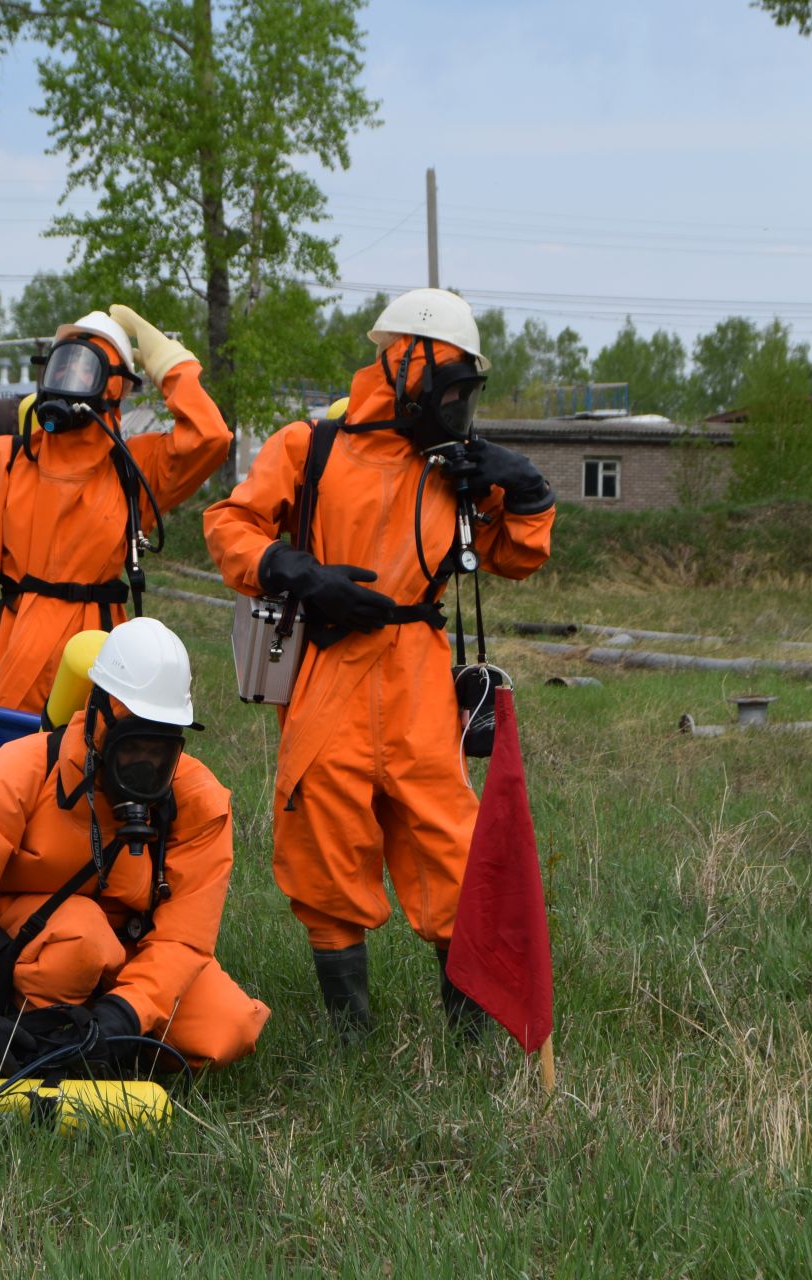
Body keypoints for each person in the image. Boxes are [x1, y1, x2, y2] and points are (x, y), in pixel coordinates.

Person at [202, 287, 556, 1039]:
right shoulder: (311, 446)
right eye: (450, 380)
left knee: (453, 849)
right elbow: (229, 524)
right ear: (407, 360)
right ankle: (350, 1036)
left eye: (467, 387)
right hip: (329, 668)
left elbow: (514, 556)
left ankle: (472, 1034)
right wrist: (299, 572)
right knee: (323, 847)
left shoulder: (454, 465)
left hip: (420, 674)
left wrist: (524, 491)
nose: (456, 399)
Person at [0, 618, 269, 1074]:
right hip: (38, 936)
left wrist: (126, 1013)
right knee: (82, 937)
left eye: (161, 748)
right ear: (99, 717)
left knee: (227, 1028)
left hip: (130, 944)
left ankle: (101, 1042)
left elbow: (183, 939)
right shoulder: (19, 772)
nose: (148, 763)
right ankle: (31, 1032)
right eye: (135, 744)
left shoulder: (199, 802)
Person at [0, 306, 232, 724]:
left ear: (114, 389)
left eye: (84, 369)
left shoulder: (134, 467)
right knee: (6, 768)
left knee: (92, 769)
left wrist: (167, 359)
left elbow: (209, 435)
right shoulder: (2, 462)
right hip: (20, 645)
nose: (69, 380)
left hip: (101, 648)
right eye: (63, 364)